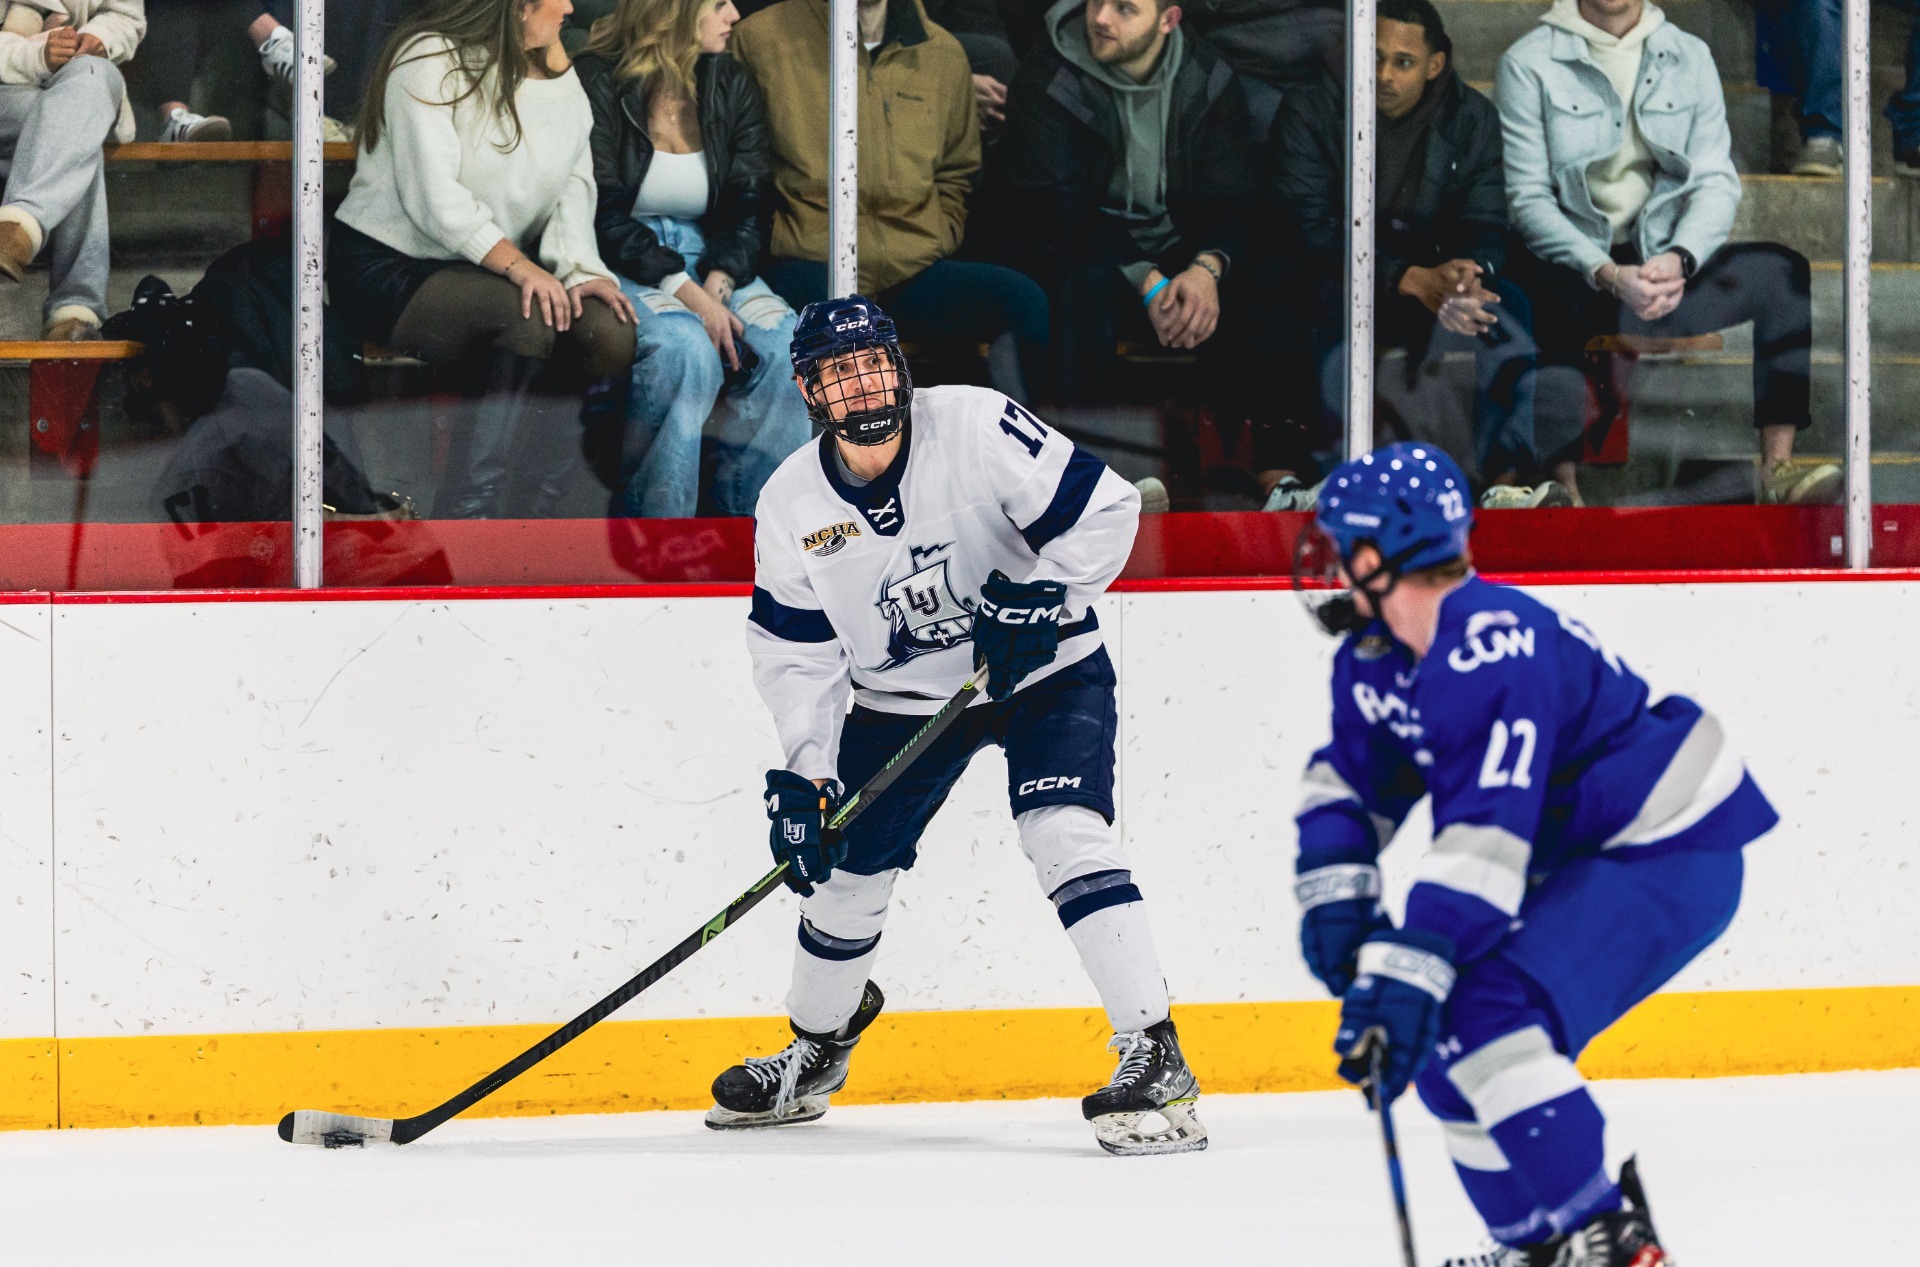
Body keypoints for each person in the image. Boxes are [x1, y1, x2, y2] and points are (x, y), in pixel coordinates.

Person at [709, 294, 1204, 1157]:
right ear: (809, 392)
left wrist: (1048, 592)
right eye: (838, 371)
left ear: (899, 366)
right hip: (902, 702)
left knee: (1063, 829)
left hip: (1044, 669)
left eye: (872, 363)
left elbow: (1109, 508)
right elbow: (796, 652)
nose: (862, 384)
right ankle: (817, 1050)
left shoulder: (974, 424)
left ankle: (1154, 1049)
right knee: (844, 871)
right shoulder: (790, 501)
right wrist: (809, 771)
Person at [1290, 442, 1778, 1266]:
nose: (1328, 562)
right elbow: (1348, 781)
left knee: (1486, 1005)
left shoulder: (1491, 645)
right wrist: (1339, 900)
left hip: (1671, 843)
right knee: (1447, 1041)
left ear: (1387, 548)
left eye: (1344, 544)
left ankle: (1612, 1239)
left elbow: (1484, 845)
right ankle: (1539, 1247)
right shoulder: (1375, 658)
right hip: (1589, 850)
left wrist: (1410, 962)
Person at [1496, 0, 1840, 507]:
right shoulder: (1528, 61)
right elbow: (1527, 200)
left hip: (1662, 263)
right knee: (1540, 281)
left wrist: (1680, 258)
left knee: (1781, 273)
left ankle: (1778, 467)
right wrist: (1607, 272)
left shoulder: (1688, 55)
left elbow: (1714, 180)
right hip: (1582, 266)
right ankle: (1560, 484)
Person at [328, 0, 638, 519]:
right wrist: (521, 266)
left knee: (608, 329)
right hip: (393, 261)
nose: (570, 6)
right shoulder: (427, 56)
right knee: (528, 316)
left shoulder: (553, 70)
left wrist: (579, 269)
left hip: (486, 267)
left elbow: (573, 183)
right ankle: (469, 515)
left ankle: (534, 516)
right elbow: (433, 197)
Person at [1268, 0, 1565, 509]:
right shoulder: (1311, 109)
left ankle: (1503, 482)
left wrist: (1467, 274)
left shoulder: (1471, 117)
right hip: (1337, 278)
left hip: (1434, 288)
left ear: (1434, 65)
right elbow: (1305, 228)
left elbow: (1486, 223)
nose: (1384, 75)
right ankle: (1315, 482)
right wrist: (1406, 277)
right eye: (1375, 57)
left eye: (1403, 62)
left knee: (1506, 306)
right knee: (1295, 302)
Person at [728, 0, 1048, 401]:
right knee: (843, 327)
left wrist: (937, 233)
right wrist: (779, 235)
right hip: (807, 262)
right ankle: (854, 442)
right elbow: (737, 171)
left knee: (1022, 301)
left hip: (908, 266)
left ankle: (1014, 441)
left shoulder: (941, 53)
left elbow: (958, 172)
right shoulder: (761, 40)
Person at [579, 0, 811, 518]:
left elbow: (749, 203)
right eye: (718, 3)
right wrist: (686, 295)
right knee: (683, 349)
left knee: (790, 350)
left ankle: (756, 534)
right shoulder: (599, 79)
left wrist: (717, 286)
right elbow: (597, 209)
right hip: (623, 254)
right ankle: (659, 534)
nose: (734, 15)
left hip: (711, 254)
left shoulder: (729, 80)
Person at [0, 0, 142, 341]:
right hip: (7, 88)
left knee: (95, 77)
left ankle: (19, 226)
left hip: (78, 80)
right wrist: (36, 57)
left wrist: (98, 37)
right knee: (74, 128)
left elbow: (126, 15)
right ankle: (76, 310)